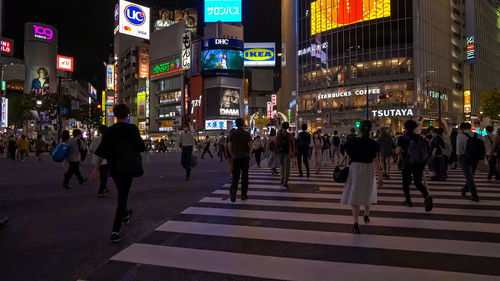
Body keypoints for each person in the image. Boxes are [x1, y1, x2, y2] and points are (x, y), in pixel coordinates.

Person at [91, 104, 146, 243]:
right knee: (122, 196)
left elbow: (102, 151)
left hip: (114, 167)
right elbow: (141, 147)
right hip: (129, 166)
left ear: (115, 115)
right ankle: (115, 231)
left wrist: (96, 169)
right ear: (127, 115)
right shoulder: (132, 129)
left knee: (122, 192)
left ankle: (126, 214)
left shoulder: (109, 131)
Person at [341, 121, 382, 234]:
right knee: (367, 192)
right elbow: (376, 160)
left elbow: (348, 158)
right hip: (368, 169)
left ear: (359, 130)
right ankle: (366, 215)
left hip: (355, 168)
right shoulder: (372, 143)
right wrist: (380, 176)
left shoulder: (351, 142)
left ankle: (355, 223)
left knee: (355, 194)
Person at [396, 120, 434, 211]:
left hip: (407, 162)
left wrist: (401, 158)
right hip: (418, 162)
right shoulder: (420, 137)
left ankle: (408, 200)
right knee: (418, 182)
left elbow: (398, 151)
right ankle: (426, 195)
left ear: (405, 127)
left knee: (405, 182)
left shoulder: (402, 138)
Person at [457, 122, 485, 201]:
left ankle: (475, 195)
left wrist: (458, 159)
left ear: (462, 128)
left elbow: (459, 149)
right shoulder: (478, 135)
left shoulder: (460, 136)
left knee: (469, 177)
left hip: (465, 158)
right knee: (470, 175)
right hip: (475, 158)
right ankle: (465, 189)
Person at [228, 118, 252, 202]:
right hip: (245, 157)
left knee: (235, 176)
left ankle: (233, 191)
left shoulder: (233, 134)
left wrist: (232, 154)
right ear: (243, 124)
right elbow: (250, 146)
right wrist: (249, 153)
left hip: (236, 157)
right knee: (245, 176)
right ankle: (243, 194)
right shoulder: (247, 134)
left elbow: (229, 146)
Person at [90, 125, 110, 198]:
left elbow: (91, 149)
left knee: (102, 175)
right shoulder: (107, 139)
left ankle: (104, 188)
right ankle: (100, 191)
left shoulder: (95, 139)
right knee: (104, 176)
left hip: (95, 160)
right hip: (104, 161)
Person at [276, 122, 295, 187]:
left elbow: (277, 144)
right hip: (287, 152)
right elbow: (292, 144)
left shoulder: (279, 134)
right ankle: (285, 181)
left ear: (282, 127)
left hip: (280, 152)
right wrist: (293, 152)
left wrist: (276, 151)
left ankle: (282, 177)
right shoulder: (290, 135)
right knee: (287, 167)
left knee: (282, 166)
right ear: (287, 127)